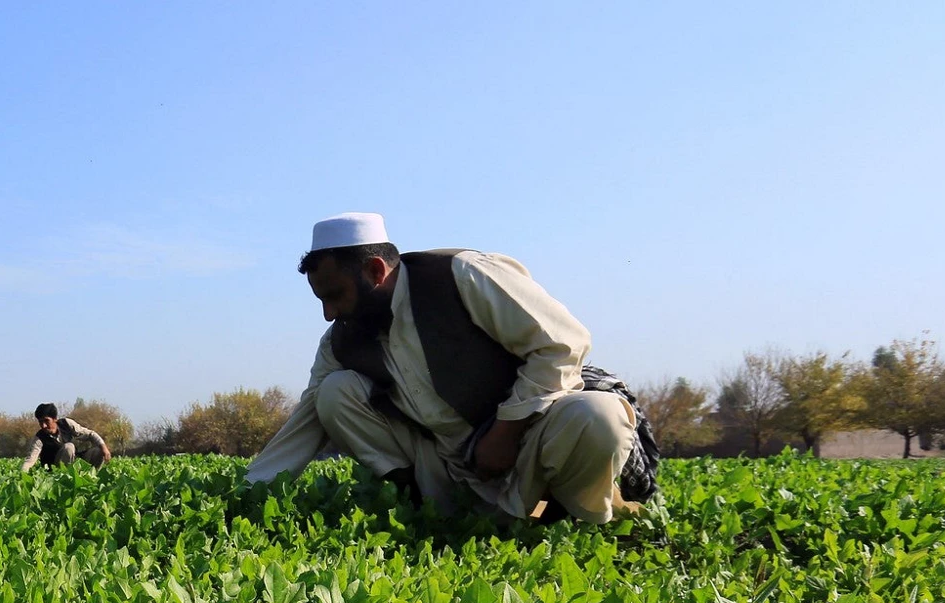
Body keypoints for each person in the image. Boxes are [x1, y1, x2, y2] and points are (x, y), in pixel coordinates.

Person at [245, 212, 648, 523]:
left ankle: (570, 520)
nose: (328, 314)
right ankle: (431, 510)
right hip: (447, 465)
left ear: (375, 271)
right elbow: (307, 419)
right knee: (333, 393)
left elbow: (563, 343)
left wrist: (507, 430)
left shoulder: (464, 275)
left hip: (527, 439)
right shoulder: (343, 339)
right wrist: (246, 493)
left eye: (334, 296)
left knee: (598, 415)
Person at [22, 403, 113, 470]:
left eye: (46, 421)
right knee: (69, 447)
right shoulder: (39, 438)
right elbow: (30, 460)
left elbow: (90, 434)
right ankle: (66, 477)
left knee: (99, 450)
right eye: (40, 422)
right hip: (55, 469)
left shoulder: (66, 423)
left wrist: (104, 447)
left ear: (55, 419)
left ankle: (92, 477)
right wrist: (22, 475)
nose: (43, 425)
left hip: (73, 462)